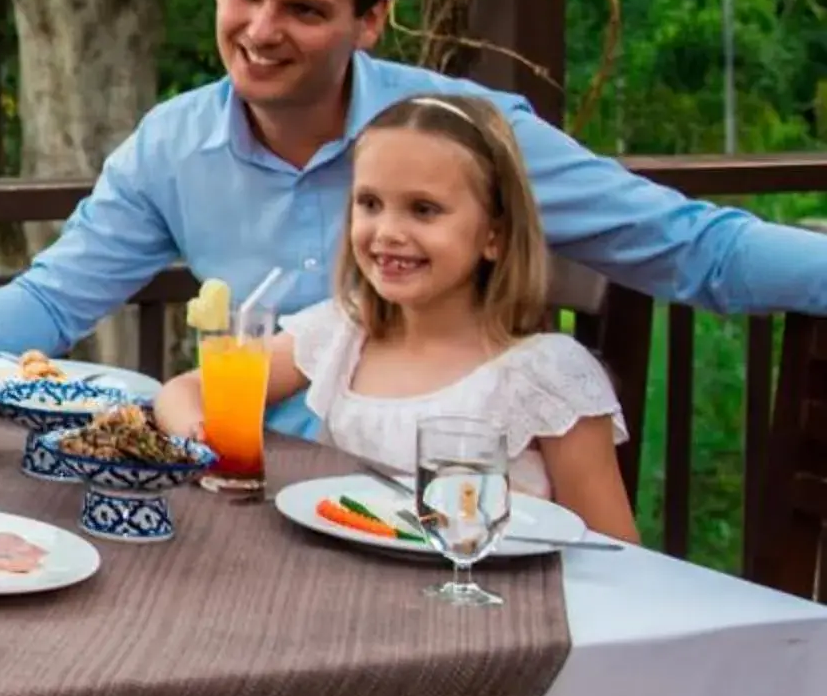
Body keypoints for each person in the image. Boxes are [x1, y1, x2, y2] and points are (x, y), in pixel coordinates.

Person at [0, 0, 827, 428]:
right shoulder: (174, 143)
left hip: (420, 501)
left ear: (371, 20)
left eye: (304, 9)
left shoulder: (460, 135)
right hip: (244, 493)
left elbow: (695, 248)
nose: (261, 30)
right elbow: (48, 302)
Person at [153, 94, 641, 541]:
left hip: (489, 612)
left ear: (495, 234)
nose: (387, 231)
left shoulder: (546, 375)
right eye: (370, 204)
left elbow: (619, 557)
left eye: (423, 210)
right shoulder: (344, 333)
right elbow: (183, 391)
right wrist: (203, 437)